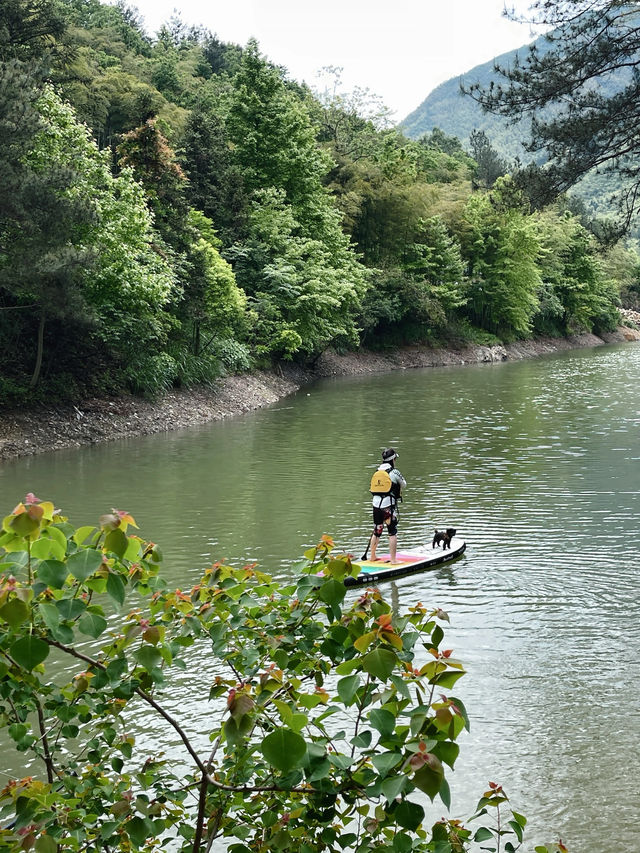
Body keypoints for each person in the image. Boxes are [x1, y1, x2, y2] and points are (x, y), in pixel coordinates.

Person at [368, 448, 406, 563]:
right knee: (392, 532)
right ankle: (394, 560)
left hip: (375, 506)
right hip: (388, 507)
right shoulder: (394, 472)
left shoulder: (376, 471)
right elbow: (404, 484)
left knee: (377, 531)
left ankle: (372, 556)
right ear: (393, 459)